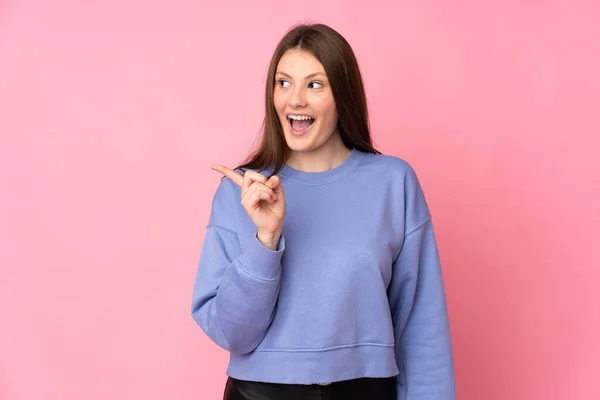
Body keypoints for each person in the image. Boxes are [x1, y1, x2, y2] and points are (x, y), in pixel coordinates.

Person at [191, 23, 456, 400]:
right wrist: (266, 240)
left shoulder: (392, 182)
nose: (295, 100)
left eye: (314, 84)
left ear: (343, 95)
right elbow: (231, 333)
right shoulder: (242, 193)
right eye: (283, 83)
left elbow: (422, 326)